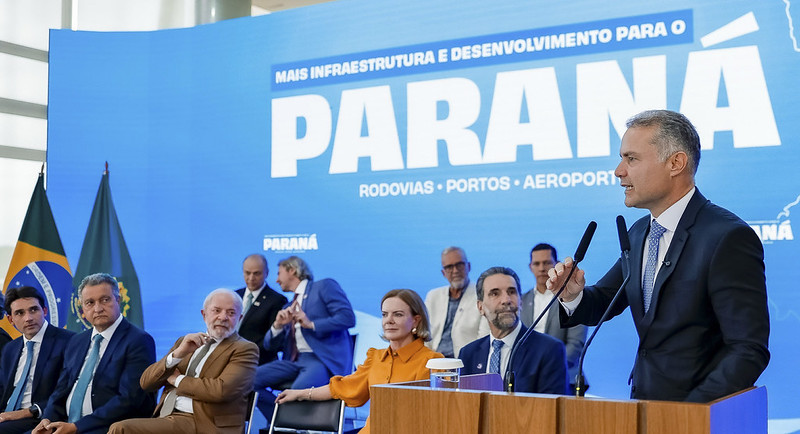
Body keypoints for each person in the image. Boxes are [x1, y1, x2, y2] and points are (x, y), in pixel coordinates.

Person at [547, 109, 770, 402]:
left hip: (698, 414)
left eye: (631, 159)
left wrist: (689, 414)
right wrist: (573, 295)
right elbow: (604, 301)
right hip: (645, 406)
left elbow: (748, 349)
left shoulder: (727, 237)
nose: (618, 171)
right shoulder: (640, 232)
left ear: (675, 163)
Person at [276, 289, 443, 434]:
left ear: (416, 320)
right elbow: (342, 387)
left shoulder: (433, 362)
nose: (389, 320)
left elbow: (437, 418)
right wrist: (299, 393)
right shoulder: (376, 358)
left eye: (398, 314)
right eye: (384, 314)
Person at [107, 288, 259, 434]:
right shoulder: (186, 342)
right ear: (204, 314)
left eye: (231, 313)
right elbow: (146, 383)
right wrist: (177, 355)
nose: (223, 317)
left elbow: (220, 391)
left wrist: (177, 379)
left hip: (205, 423)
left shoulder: (244, 349)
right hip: (168, 416)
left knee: (121, 429)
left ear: (240, 318)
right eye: (217, 311)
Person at [32, 273, 156, 434]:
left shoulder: (138, 340)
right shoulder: (77, 341)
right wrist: (47, 420)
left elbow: (129, 399)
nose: (97, 308)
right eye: (90, 303)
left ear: (118, 300)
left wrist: (76, 427)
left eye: (105, 300)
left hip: (109, 426)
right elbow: (61, 390)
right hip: (67, 424)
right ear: (82, 308)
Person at [253, 256, 356, 419]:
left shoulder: (323, 287)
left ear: (292, 270)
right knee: (245, 381)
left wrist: (311, 324)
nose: (277, 280)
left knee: (295, 394)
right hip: (294, 362)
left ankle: (284, 421)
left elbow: (348, 318)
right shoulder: (288, 307)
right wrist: (278, 326)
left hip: (321, 360)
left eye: (279, 273)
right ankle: (278, 419)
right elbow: (268, 345)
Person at [459, 267, 568, 395]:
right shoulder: (468, 354)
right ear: (480, 307)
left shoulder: (549, 350)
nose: (506, 300)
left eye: (511, 292)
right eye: (495, 294)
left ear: (520, 302)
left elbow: (550, 405)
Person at [0, 287, 75, 433]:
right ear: (10, 319)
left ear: (44, 311)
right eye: (20, 313)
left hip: (41, 417)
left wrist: (28, 412)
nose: (28, 318)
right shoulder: (11, 348)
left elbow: (70, 391)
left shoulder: (69, 342)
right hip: (7, 416)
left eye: (33, 310)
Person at [521, 243, 587, 392]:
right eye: (537, 264)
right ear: (530, 267)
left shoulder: (570, 297)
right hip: (526, 377)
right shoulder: (521, 301)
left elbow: (575, 344)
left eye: (546, 263)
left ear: (556, 265)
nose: (542, 268)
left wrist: (547, 367)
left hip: (564, 375)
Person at [424, 247, 488, 358]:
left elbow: (484, 339)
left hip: (466, 360)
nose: (455, 271)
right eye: (449, 267)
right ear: (443, 272)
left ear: (468, 266)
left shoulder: (483, 294)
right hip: (434, 361)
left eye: (459, 265)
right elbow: (424, 334)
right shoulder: (433, 296)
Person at [235, 254, 287, 365]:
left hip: (258, 361)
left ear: (266, 273)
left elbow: (273, 342)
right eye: (247, 273)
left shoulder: (277, 300)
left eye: (256, 273)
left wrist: (244, 353)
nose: (251, 278)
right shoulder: (234, 296)